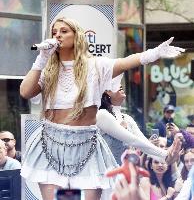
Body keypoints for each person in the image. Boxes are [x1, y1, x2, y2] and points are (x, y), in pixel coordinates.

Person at [19, 17, 184, 200]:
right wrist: (42, 58)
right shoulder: (48, 69)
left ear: (77, 36)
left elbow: (126, 61)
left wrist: (154, 53)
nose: (57, 35)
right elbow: (25, 91)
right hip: (50, 144)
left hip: (86, 146)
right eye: (54, 32)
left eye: (64, 31)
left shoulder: (96, 65)